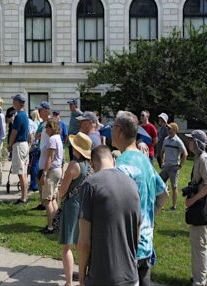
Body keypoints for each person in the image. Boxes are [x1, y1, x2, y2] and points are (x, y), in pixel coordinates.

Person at [114, 111, 168, 286]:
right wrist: (148, 220)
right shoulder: (144, 160)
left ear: (119, 131)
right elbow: (163, 193)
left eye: (113, 127)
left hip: (127, 248)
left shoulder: (121, 166)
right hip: (146, 243)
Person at [77, 145, 141, 286]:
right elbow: (137, 232)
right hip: (131, 276)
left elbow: (84, 242)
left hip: (101, 277)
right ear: (113, 160)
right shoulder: (132, 184)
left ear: (92, 165)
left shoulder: (89, 185)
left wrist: (81, 275)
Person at [58, 132, 92, 286]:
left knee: (67, 246)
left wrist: (58, 198)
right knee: (82, 245)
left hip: (71, 206)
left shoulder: (73, 165)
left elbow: (63, 190)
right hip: (84, 206)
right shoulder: (88, 165)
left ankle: (68, 282)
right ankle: (83, 279)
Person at [184, 130, 207, 286]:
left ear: (196, 143)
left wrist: (193, 199)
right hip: (198, 203)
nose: (188, 142)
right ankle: (206, 276)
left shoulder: (203, 159)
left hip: (201, 204)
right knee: (200, 242)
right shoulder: (198, 159)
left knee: (199, 245)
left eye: (190, 140)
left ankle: (199, 280)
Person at [39, 118, 64, 235]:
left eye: (47, 127)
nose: (45, 129)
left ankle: (50, 227)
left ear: (52, 127)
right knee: (53, 198)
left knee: (47, 200)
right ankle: (55, 223)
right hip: (58, 170)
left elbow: (50, 158)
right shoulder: (58, 138)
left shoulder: (52, 139)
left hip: (52, 171)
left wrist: (44, 173)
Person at [160, 122, 188, 211]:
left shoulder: (178, 141)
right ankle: (160, 204)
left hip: (174, 167)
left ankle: (174, 206)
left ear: (175, 130)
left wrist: (180, 166)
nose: (168, 130)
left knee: (174, 186)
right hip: (166, 166)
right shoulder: (166, 139)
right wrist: (162, 162)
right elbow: (162, 151)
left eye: (170, 129)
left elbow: (185, 154)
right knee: (160, 184)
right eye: (167, 129)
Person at [7, 93, 30, 204]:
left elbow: (14, 132)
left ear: (17, 103)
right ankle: (24, 196)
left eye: (14, 101)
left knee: (21, 173)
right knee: (23, 172)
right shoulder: (24, 115)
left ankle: (24, 198)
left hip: (19, 144)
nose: (12, 103)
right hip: (24, 144)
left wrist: (9, 145)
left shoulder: (19, 116)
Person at [29, 109, 42, 193]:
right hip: (38, 146)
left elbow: (33, 136)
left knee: (34, 166)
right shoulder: (40, 122)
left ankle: (34, 184)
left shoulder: (35, 123)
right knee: (36, 165)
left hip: (35, 146)